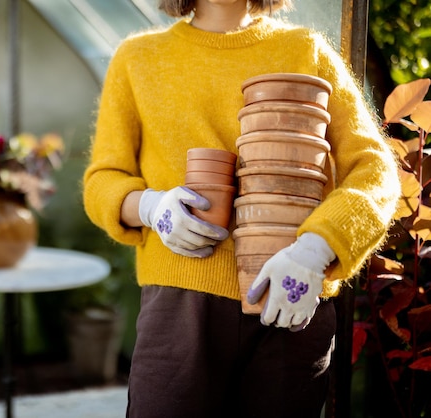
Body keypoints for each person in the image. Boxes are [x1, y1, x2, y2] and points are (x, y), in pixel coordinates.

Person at [82, 0, 400, 416]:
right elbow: (102, 179)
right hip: (180, 312)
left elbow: (374, 169)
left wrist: (316, 250)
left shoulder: (307, 51)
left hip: (289, 300)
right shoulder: (138, 58)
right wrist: (150, 206)